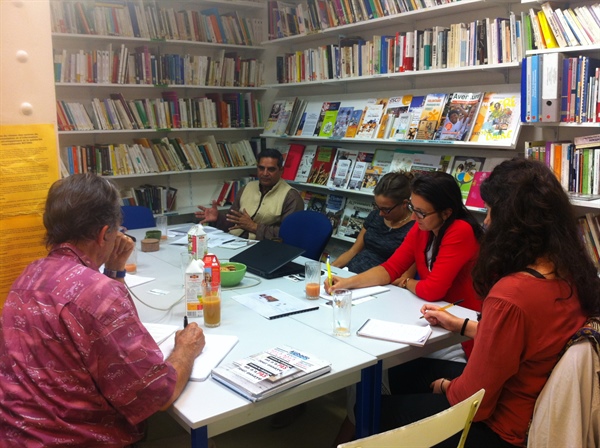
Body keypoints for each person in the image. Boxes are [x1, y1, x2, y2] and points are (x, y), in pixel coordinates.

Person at [379, 158, 600, 447]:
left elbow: (476, 401)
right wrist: (464, 325)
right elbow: (528, 342)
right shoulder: (572, 272)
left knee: (374, 409)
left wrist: (446, 387)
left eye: (490, 211)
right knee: (404, 372)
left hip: (501, 427)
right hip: (531, 401)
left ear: (514, 223)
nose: (485, 221)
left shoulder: (512, 294)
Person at [0, 173, 206, 446]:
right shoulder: (97, 292)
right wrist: (186, 349)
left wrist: (114, 269)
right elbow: (158, 394)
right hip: (77, 438)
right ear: (102, 234)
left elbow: (92, 320)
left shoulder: (31, 274)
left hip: (17, 435)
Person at [327, 171, 483, 316]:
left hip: (461, 318)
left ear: (446, 213)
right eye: (412, 208)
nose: (414, 218)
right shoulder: (422, 227)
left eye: (421, 212)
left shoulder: (460, 230)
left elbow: (433, 290)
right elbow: (390, 268)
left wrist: (406, 282)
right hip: (434, 311)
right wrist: (347, 283)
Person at [195, 148, 304, 240]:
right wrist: (217, 218)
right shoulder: (247, 188)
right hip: (234, 242)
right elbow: (233, 223)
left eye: (271, 169)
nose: (265, 173)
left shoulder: (291, 197)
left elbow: (290, 235)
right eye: (261, 168)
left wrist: (254, 227)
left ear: (281, 170)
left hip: (265, 249)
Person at [332, 171, 416, 274]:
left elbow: (404, 277)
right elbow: (353, 251)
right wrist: (329, 270)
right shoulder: (375, 215)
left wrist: (358, 281)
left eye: (386, 209)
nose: (380, 213)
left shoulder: (415, 229)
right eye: (377, 207)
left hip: (378, 283)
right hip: (350, 273)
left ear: (404, 203)